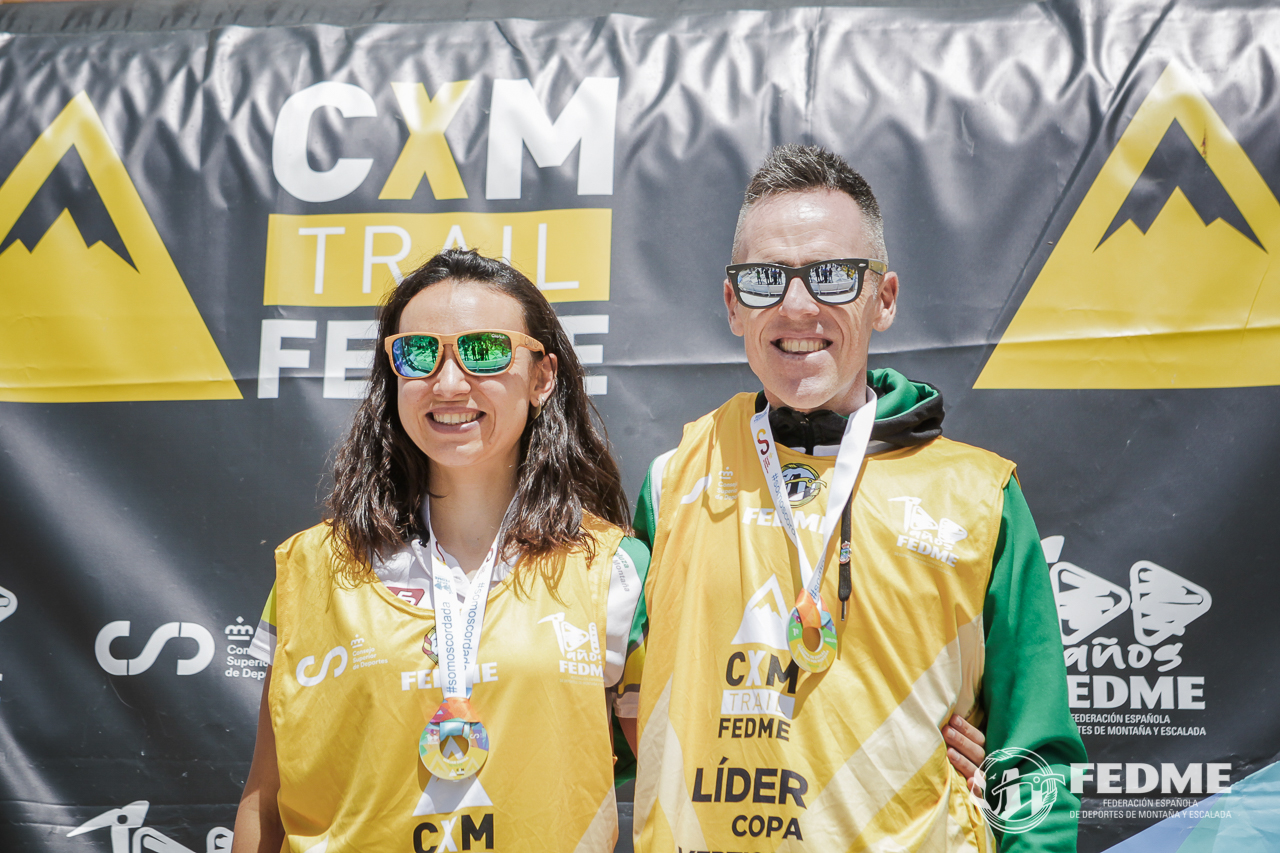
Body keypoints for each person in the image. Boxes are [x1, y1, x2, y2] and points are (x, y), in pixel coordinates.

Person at [630, 146, 1086, 852]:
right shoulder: (672, 481)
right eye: (764, 279)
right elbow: (600, 707)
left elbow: (1036, 758)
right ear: (731, 303)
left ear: (885, 298)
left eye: (834, 276)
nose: (798, 305)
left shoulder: (979, 495)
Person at [231, 250, 650, 853]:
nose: (449, 383)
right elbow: (265, 799)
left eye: (484, 351)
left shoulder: (612, 568)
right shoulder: (312, 567)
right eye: (419, 354)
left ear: (542, 377)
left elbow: (670, 781)